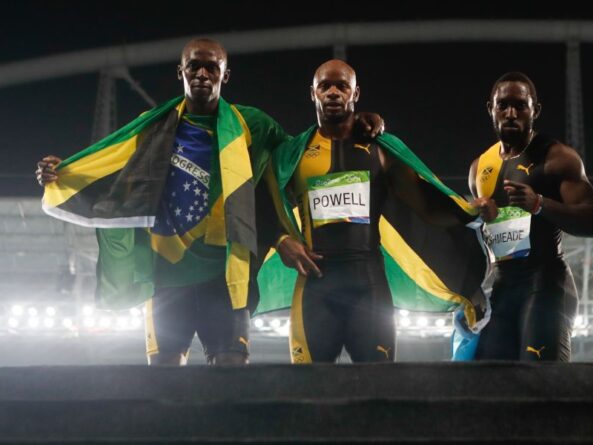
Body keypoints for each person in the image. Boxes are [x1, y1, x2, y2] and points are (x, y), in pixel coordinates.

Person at [36, 39, 383, 365]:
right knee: (163, 383)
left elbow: (301, 157)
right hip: (167, 279)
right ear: (181, 72)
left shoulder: (254, 126)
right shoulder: (151, 127)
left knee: (231, 373)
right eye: (194, 67)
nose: (202, 74)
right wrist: (64, 173)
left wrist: (357, 124)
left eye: (211, 68)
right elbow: (108, 166)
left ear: (224, 75)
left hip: (226, 280)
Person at [267, 59, 486, 363]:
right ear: (312, 93)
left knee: (379, 390)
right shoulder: (292, 155)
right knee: (308, 393)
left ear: (355, 94)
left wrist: (467, 211)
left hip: (368, 288)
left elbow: (426, 205)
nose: (333, 92)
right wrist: (280, 239)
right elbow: (265, 205)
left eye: (342, 86)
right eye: (324, 86)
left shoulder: (381, 150)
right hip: (314, 289)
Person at [466, 71, 593, 361]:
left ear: (535, 110)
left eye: (520, 105)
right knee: (486, 385)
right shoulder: (480, 167)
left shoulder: (558, 158)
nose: (511, 113)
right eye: (502, 105)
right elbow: (480, 238)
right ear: (490, 109)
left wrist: (541, 204)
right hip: (503, 286)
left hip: (546, 284)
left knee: (542, 385)